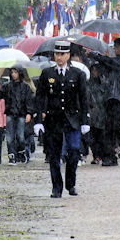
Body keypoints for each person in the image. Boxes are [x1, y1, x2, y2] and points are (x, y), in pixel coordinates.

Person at [34, 40, 89, 198]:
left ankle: (71, 184)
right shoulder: (47, 74)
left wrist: (85, 121)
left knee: (73, 151)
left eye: (62, 54)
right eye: (57, 54)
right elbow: (40, 97)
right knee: (54, 154)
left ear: (68, 55)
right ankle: (56, 187)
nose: (59, 57)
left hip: (72, 118)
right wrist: (38, 120)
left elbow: (83, 99)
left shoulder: (78, 74)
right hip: (53, 118)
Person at [86, 37, 120, 166]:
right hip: (110, 98)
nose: (115, 49)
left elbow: (112, 63)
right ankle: (110, 157)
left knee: (117, 127)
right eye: (114, 47)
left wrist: (96, 55)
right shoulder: (114, 61)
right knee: (108, 129)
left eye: (117, 47)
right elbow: (104, 66)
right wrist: (99, 59)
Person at [0, 66, 33, 165]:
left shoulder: (25, 87)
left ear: (20, 73)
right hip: (10, 113)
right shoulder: (7, 86)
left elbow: (29, 101)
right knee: (9, 137)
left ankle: (21, 152)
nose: (13, 74)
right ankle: (12, 156)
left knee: (20, 136)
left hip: (21, 114)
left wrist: (29, 113)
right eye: (12, 72)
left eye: (15, 72)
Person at [86, 62, 108, 164]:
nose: (94, 72)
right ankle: (96, 156)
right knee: (92, 138)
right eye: (93, 70)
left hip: (103, 113)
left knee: (102, 137)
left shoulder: (104, 83)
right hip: (92, 113)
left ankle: (102, 155)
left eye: (96, 70)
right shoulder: (88, 84)